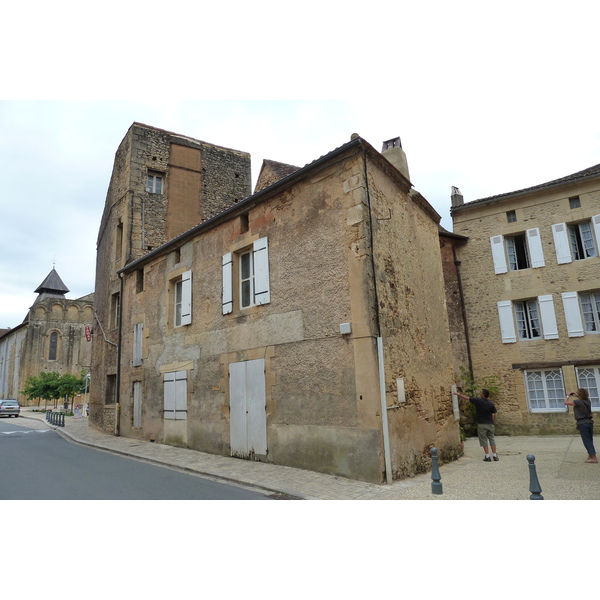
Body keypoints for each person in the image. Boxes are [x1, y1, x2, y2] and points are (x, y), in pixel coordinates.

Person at [457, 389, 498, 462]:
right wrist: (492, 421)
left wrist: (458, 394)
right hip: (490, 424)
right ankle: (495, 455)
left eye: (481, 393)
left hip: (482, 424)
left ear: (483, 395)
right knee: (492, 439)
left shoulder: (478, 401)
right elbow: (494, 414)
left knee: (484, 440)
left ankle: (487, 456)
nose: (480, 394)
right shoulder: (491, 403)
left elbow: (467, 398)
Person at [564, 388, 597, 463]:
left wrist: (568, 396)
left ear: (579, 395)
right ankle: (590, 455)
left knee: (586, 440)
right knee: (589, 439)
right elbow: (582, 399)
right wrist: (577, 395)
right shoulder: (588, 401)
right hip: (589, 422)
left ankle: (593, 457)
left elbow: (566, 402)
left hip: (582, 422)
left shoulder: (577, 402)